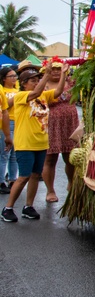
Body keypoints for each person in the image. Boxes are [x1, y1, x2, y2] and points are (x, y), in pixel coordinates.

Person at [1, 63, 68, 222]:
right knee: (23, 176)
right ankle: (8, 208)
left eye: (37, 80)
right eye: (33, 81)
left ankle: (28, 206)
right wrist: (46, 75)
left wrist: (64, 74)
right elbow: (37, 91)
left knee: (35, 175)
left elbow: (58, 92)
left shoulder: (43, 96)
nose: (37, 83)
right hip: (26, 143)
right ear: (24, 84)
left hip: (41, 143)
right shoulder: (20, 97)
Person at [41, 61, 79, 203]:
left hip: (70, 123)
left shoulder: (71, 82)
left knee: (71, 157)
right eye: (53, 69)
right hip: (51, 124)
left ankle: (71, 183)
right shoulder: (42, 85)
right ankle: (50, 190)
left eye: (59, 69)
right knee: (50, 158)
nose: (56, 72)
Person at [0, 66, 18, 194]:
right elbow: (6, 106)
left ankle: (13, 179)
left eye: (15, 76)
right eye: (11, 76)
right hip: (6, 123)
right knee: (5, 153)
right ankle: (1, 181)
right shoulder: (2, 90)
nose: (14, 78)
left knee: (15, 154)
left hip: (19, 122)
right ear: (4, 78)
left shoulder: (18, 90)